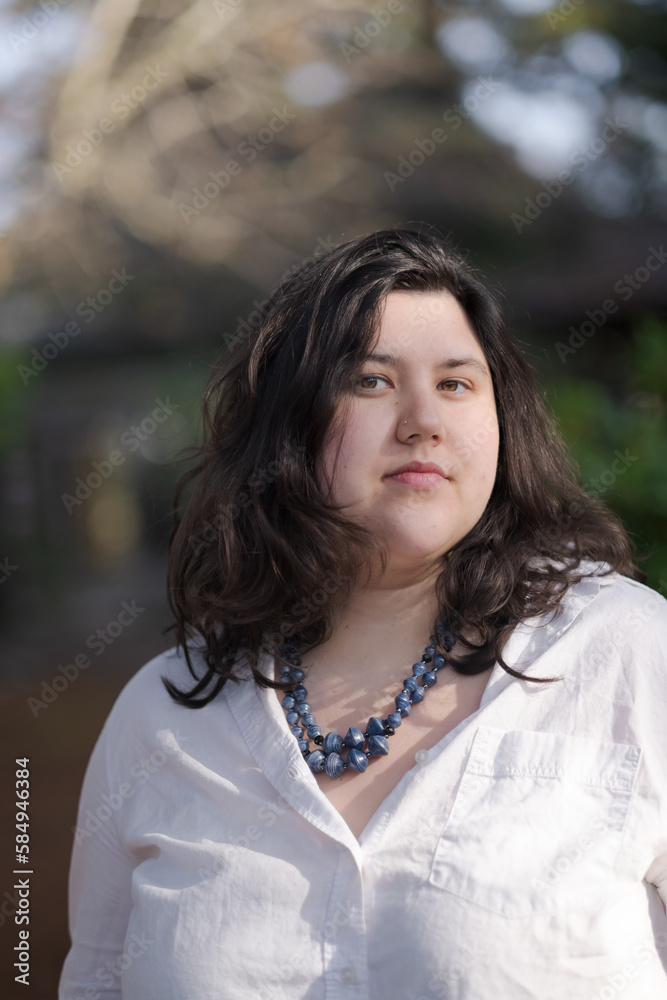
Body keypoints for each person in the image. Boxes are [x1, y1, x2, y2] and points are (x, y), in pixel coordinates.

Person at [59, 226, 667, 1000]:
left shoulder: (620, 650)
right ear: (288, 424)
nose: (422, 420)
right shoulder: (162, 717)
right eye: (372, 381)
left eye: (455, 384)